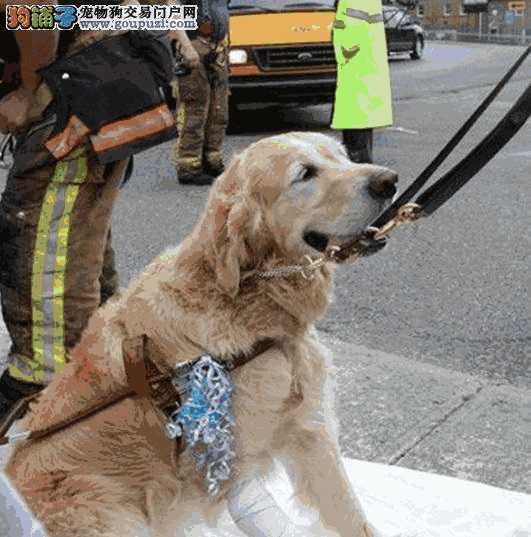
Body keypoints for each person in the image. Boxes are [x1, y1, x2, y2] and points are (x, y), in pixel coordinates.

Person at [0, 0, 197, 421]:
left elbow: (35, 10)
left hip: (73, 91)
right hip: (91, 79)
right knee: (75, 229)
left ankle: (47, 378)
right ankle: (105, 357)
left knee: (42, 233)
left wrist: (28, 92)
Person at [174, 0, 230, 186]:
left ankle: (212, 161)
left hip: (217, 48)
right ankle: (189, 166)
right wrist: (186, 47)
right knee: (195, 110)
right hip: (194, 46)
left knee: (218, 110)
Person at [331, 0, 393, 163]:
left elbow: (349, 36)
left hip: (356, 75)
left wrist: (343, 54)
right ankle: (364, 173)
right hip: (368, 72)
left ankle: (361, 180)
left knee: (355, 145)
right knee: (362, 135)